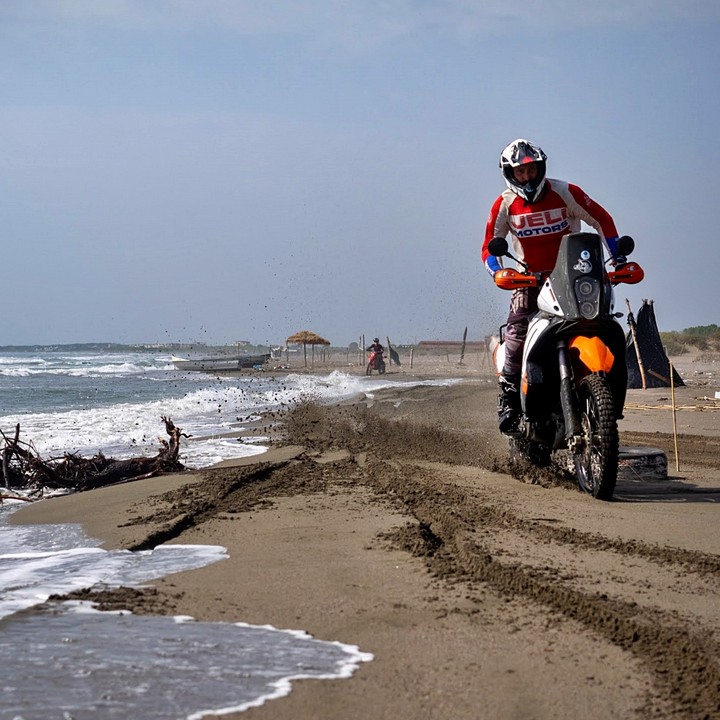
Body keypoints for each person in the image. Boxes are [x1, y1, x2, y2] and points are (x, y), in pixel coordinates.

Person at [482, 138, 624, 433]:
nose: (527, 177)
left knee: (605, 323)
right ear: (510, 174)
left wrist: (618, 259)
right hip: (529, 280)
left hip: (574, 278)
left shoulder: (566, 192)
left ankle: (605, 388)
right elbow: (488, 247)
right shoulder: (504, 204)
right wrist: (499, 271)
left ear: (541, 168)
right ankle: (508, 397)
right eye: (520, 172)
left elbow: (602, 219)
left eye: (531, 170)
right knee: (517, 331)